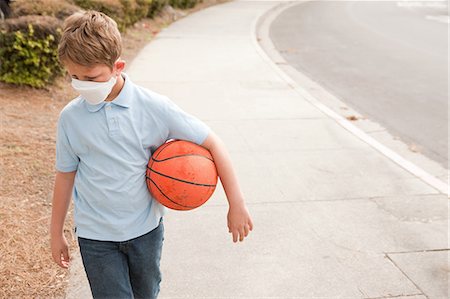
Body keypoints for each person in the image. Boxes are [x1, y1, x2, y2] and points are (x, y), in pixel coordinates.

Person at [50, 10, 253, 299]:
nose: (82, 85)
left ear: (117, 66)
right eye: (74, 77)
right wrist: (55, 232)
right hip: (96, 237)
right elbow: (65, 174)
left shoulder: (154, 107)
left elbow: (213, 143)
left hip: (145, 232)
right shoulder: (70, 118)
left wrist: (237, 203)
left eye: (91, 78)